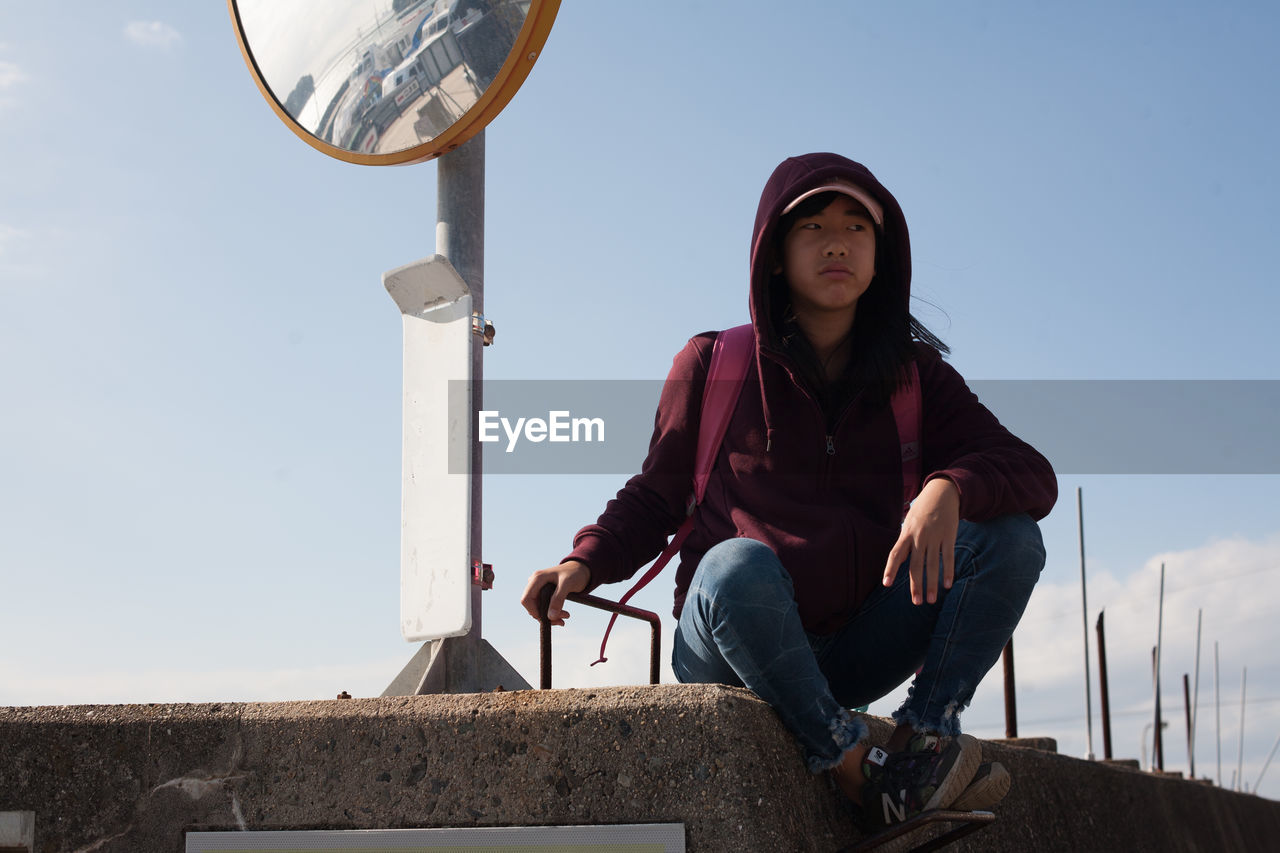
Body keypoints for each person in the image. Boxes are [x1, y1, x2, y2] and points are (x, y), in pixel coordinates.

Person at [520, 152, 1057, 829]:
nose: (837, 241)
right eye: (813, 226)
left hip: (859, 642)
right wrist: (584, 560)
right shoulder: (714, 362)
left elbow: (1031, 472)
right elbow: (656, 494)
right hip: (730, 640)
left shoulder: (917, 377)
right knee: (738, 563)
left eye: (857, 226)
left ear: (881, 254)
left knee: (1007, 536)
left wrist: (949, 486)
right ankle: (861, 772)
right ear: (774, 255)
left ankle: (922, 739)